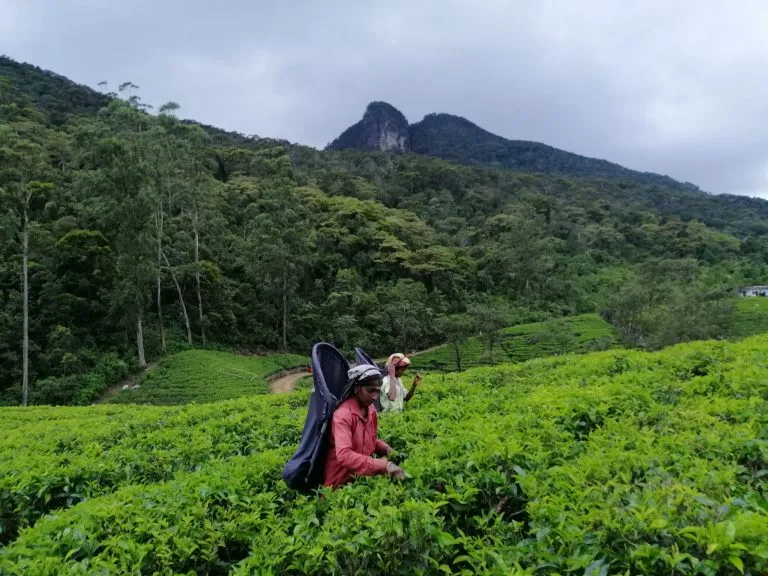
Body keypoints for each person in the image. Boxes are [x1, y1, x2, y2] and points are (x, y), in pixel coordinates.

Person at [323, 364, 406, 488]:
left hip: (362, 479)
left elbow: (370, 439)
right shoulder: (343, 415)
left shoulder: (371, 410)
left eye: (377, 391)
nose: (375, 396)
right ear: (356, 388)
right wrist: (384, 466)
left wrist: (386, 449)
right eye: (370, 390)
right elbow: (344, 455)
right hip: (338, 483)